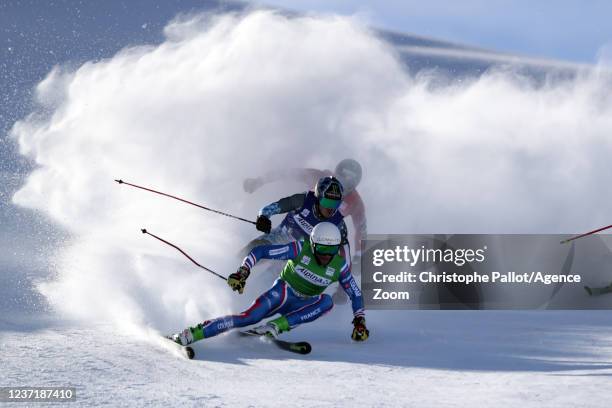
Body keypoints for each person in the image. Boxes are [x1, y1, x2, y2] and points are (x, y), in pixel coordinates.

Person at [169, 222, 369, 346]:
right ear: (313, 244)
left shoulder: (339, 265)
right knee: (247, 318)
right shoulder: (300, 248)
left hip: (303, 304)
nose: (326, 255)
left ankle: (275, 327)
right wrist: (243, 272)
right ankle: (191, 333)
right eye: (322, 249)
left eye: (332, 250)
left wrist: (359, 321)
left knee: (327, 302)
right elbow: (260, 252)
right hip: (282, 293)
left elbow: (356, 294)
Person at [243, 159, 367, 259]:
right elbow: (289, 173)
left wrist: (358, 254)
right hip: (285, 233)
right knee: (251, 251)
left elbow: (361, 229)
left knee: (273, 278)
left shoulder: (355, 203)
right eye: (339, 181)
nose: (339, 190)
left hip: (307, 251)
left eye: (346, 186)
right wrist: (259, 181)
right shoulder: (320, 177)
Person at [240, 175, 350, 258]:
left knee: (269, 281)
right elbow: (273, 207)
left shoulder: (338, 223)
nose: (330, 209)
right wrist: (263, 217)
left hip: (301, 256)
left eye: (335, 204)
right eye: (327, 202)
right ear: (318, 197)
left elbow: (344, 255)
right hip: (279, 237)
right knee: (251, 250)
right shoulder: (303, 200)